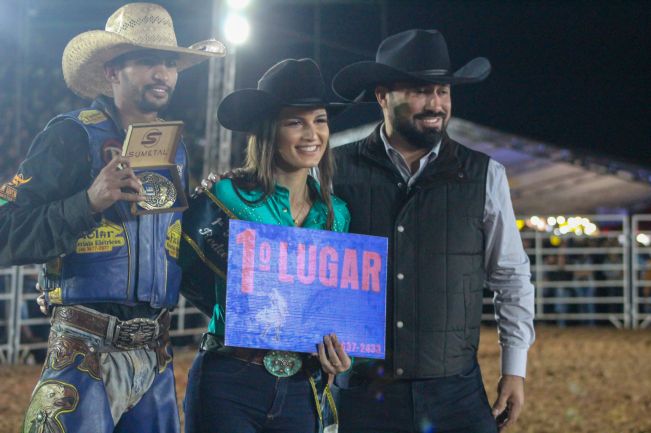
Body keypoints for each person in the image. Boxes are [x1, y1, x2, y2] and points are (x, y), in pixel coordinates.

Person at [0, 4, 225, 432]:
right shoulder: (69, 135)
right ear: (111, 72)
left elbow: (175, 249)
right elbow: (5, 227)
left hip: (157, 357)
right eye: (147, 60)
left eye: (170, 63)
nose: (162, 73)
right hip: (84, 351)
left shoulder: (176, 148)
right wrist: (88, 202)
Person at [330, 29, 535, 433]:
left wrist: (514, 370)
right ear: (382, 96)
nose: (436, 104)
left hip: (455, 393)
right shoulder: (332, 170)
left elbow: (511, 276)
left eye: (442, 91)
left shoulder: (486, 175)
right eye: (421, 92)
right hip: (361, 389)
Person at [180, 58, 352, 433]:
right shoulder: (225, 196)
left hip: (302, 388)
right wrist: (242, 317)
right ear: (268, 130)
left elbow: (328, 303)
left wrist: (338, 353)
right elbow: (185, 271)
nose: (312, 134)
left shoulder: (336, 215)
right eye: (295, 122)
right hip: (228, 381)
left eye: (320, 120)